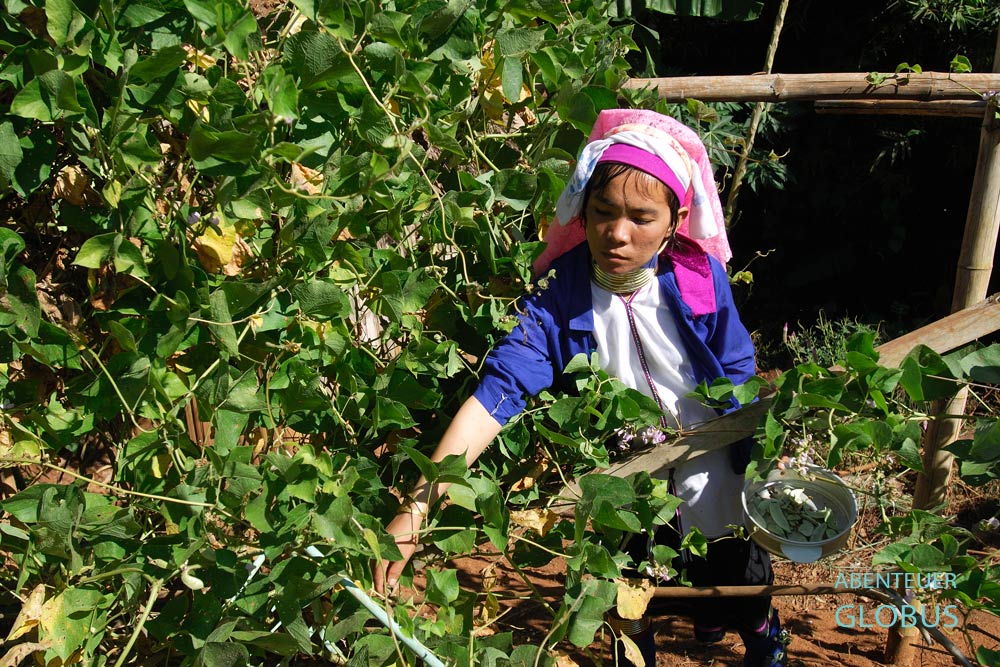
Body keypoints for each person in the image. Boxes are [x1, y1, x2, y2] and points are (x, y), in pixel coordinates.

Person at [374, 108, 789, 667]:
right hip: (625, 474)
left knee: (735, 572)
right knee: (631, 591)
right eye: (602, 213)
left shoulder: (699, 279)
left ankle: (762, 641)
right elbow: (500, 391)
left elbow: (737, 367)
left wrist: (756, 450)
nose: (618, 233)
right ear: (583, 210)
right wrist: (417, 510)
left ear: (676, 219)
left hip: (711, 457)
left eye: (642, 218)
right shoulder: (558, 295)